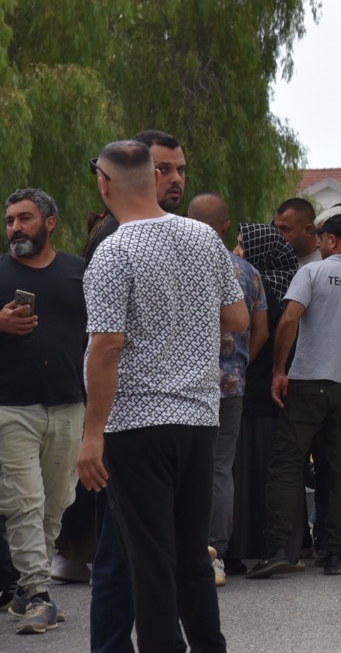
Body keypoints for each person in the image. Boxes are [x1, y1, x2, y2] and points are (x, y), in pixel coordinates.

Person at [78, 139, 247, 653]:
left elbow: (106, 347)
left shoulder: (112, 251)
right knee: (193, 557)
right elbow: (238, 319)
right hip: (198, 416)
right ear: (153, 178)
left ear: (104, 184)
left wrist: (91, 435)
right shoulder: (202, 236)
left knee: (149, 561)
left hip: (136, 424)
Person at [86, 127, 193, 653]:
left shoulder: (182, 236)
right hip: (127, 424)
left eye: (179, 169)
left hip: (179, 418)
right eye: (164, 169)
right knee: (121, 554)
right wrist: (94, 435)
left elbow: (236, 317)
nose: (173, 179)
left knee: (157, 553)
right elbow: (104, 346)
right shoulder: (116, 242)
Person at [247, 214, 341, 578]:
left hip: (308, 382)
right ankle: (336, 553)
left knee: (287, 465)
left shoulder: (312, 273)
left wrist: (280, 370)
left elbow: (290, 319)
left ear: (330, 240)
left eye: (320, 237)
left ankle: (280, 547)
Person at [0, 188, 86, 633]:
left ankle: (22, 594)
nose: (15, 227)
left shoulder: (78, 270)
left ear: (49, 222)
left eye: (25, 218)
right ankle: (38, 593)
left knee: (55, 504)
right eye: (10, 219)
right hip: (10, 407)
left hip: (70, 403)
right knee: (24, 502)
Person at [186, 193, 269, 586]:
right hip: (230, 386)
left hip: (180, 386)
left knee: (180, 468)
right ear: (225, 226)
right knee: (220, 468)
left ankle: (180, 550)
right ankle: (215, 553)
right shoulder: (247, 272)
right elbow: (261, 329)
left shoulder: (175, 265)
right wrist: (238, 363)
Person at [230, 223, 304, 571]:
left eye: (244, 244)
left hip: (259, 387)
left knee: (252, 467)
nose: (238, 251)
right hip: (275, 389)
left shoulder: (260, 286)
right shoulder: (293, 284)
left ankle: (248, 539)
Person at [274, 198, 320, 268]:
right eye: (275, 228)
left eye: (285, 229)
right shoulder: (274, 261)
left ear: (309, 230)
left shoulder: (325, 264)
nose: (278, 235)